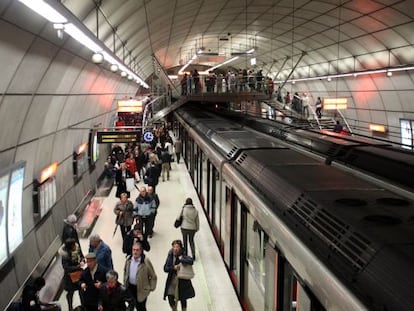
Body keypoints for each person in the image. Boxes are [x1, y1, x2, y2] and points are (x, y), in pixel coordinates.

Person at [124, 243, 157, 311]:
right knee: (130, 306)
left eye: (137, 250)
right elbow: (125, 271)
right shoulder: (128, 259)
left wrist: (150, 288)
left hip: (141, 289)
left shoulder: (145, 261)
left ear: (141, 251)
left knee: (140, 307)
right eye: (134, 250)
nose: (135, 252)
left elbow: (153, 276)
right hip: (130, 287)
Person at [163, 240, 195, 311]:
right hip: (172, 280)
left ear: (180, 248)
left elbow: (191, 261)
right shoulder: (170, 255)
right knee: (170, 296)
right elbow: (165, 268)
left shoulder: (183, 255)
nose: (175, 248)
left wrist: (182, 259)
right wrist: (173, 268)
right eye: (174, 247)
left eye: (177, 247)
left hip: (182, 281)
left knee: (183, 298)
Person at [59, 238, 84, 311]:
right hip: (70, 277)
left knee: (81, 291)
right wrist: (78, 266)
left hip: (79, 275)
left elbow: (81, 256)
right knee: (70, 293)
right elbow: (66, 268)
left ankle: (83, 306)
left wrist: (82, 260)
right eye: (73, 245)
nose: (75, 246)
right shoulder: (65, 256)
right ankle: (70, 308)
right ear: (70, 247)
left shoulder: (77, 249)